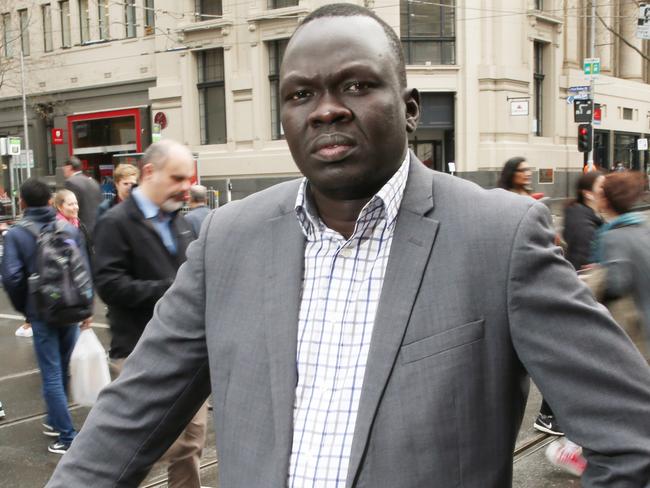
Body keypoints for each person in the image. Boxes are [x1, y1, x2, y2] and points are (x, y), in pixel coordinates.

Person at [47, 5, 650, 487]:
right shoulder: (226, 239)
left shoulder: (500, 237)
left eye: (357, 86)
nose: (326, 110)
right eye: (300, 94)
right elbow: (126, 423)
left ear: (409, 108)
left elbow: (633, 439)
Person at [91, 140, 207, 488]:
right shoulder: (115, 222)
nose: (186, 187)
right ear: (149, 173)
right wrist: (172, 290)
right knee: (140, 444)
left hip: (187, 351)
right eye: (177, 178)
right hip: (139, 352)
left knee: (192, 443)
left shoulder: (179, 220)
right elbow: (110, 285)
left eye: (189, 179)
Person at [2, 178, 91, 454]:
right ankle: (54, 420)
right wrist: (86, 307)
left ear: (22, 202)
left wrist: (25, 308)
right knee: (63, 368)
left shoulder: (17, 234)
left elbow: (12, 276)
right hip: (71, 308)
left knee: (51, 373)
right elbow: (84, 268)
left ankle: (66, 437)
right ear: (51, 202)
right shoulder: (67, 228)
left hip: (42, 311)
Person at [592, 171, 650, 360]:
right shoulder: (643, 228)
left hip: (636, 332)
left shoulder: (612, 236)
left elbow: (617, 283)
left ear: (607, 200)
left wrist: (595, 280)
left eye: (599, 193)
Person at [563, 171, 604, 271]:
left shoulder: (590, 216)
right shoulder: (584, 226)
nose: (607, 190)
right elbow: (584, 266)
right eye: (602, 186)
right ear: (588, 194)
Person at [62, 156, 102, 235]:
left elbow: (70, 208)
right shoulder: (93, 181)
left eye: (64, 168)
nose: (63, 170)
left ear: (69, 167)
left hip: (82, 230)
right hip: (98, 227)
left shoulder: (70, 182)